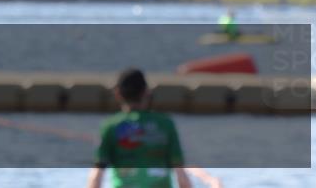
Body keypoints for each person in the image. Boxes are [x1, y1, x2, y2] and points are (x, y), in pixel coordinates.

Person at [86, 68, 221, 188]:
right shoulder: (165, 124)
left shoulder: (110, 126)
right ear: (146, 92)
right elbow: (181, 175)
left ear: (118, 94)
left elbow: (97, 175)